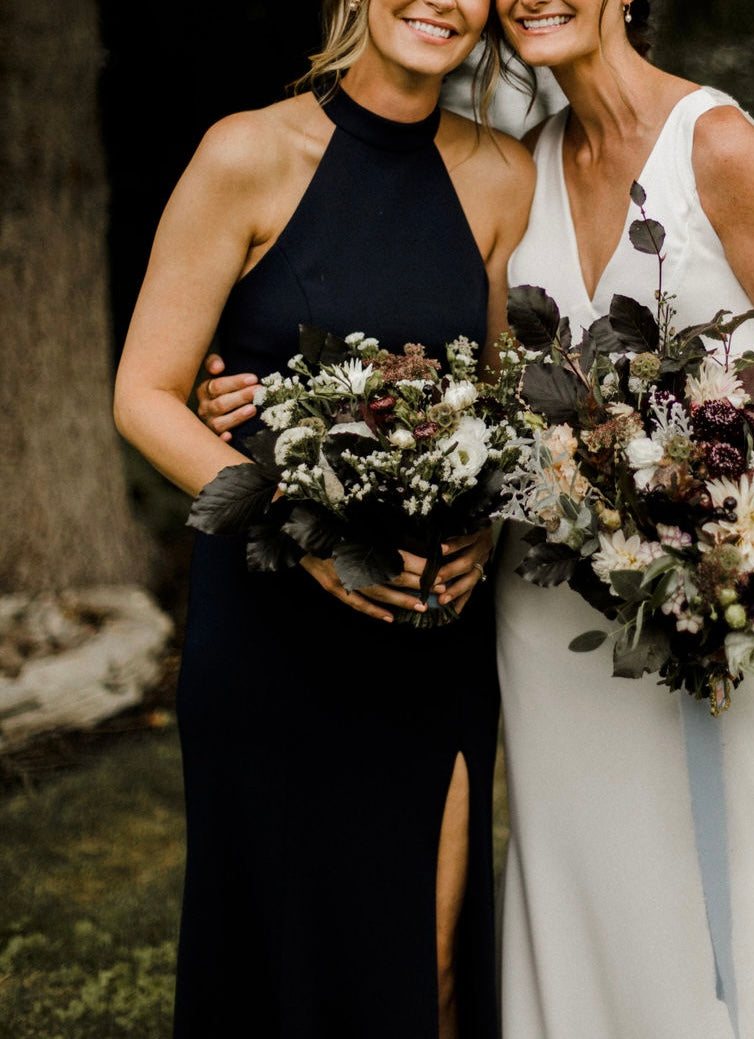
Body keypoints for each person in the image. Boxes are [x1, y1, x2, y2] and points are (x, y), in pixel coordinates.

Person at [195, 2, 754, 1036]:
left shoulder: (716, 146)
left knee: (727, 877)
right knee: (583, 866)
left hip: (722, 596)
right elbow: (465, 369)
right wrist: (257, 398)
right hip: (547, 606)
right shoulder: (510, 167)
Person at [112, 0, 534, 1034]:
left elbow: (495, 400)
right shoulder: (246, 154)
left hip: (426, 632)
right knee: (280, 977)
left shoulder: (502, 177)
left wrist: (493, 517)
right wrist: (303, 525)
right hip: (268, 639)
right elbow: (145, 395)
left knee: (426, 966)